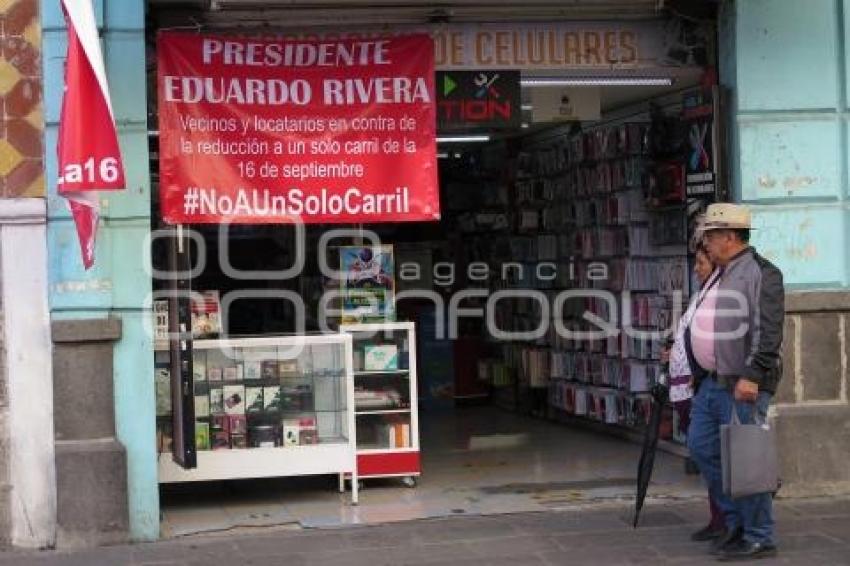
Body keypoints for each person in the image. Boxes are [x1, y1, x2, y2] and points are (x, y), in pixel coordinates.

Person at [686, 203, 785, 561]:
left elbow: (768, 331)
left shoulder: (762, 273)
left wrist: (752, 375)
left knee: (747, 461)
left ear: (728, 236)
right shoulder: (720, 272)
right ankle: (736, 522)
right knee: (701, 447)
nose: (705, 244)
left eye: (709, 236)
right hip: (712, 382)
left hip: (742, 383)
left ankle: (760, 534)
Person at [662, 240, 725, 542]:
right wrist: (674, 351)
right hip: (684, 385)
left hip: (695, 386)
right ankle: (719, 517)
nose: (696, 269)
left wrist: (696, 374)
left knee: (707, 452)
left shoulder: (718, 295)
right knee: (704, 454)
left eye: (701, 263)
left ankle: (725, 517)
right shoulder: (701, 295)